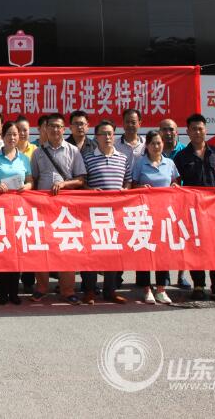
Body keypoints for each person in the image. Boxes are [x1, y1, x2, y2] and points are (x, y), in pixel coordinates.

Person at [173, 113, 215, 303]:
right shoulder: (182, 156)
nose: (197, 132)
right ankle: (198, 285)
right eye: (193, 129)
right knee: (196, 246)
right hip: (192, 210)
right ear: (187, 132)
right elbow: (176, 180)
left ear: (205, 130)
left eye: (200, 128)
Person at [29, 112, 86, 305]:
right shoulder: (37, 153)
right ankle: (41, 288)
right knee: (41, 248)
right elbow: (34, 180)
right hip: (42, 208)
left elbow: (81, 180)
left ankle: (67, 290)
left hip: (66, 208)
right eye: (51, 126)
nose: (54, 129)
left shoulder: (73, 151)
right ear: (45, 129)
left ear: (64, 129)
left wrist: (64, 184)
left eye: (58, 126)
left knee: (67, 248)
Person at [81, 120, 131, 305]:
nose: (108, 137)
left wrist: (126, 190)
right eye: (103, 134)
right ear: (97, 137)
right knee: (91, 253)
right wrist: (90, 190)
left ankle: (110, 291)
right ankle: (90, 290)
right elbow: (82, 182)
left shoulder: (123, 158)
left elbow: (128, 180)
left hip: (116, 213)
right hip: (93, 213)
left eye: (110, 133)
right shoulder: (88, 158)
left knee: (113, 253)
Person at [0, 120, 32, 305]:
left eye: (15, 134)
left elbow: (31, 181)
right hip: (0, 210)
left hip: (19, 210)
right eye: (9, 134)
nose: (12, 137)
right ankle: (2, 291)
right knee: (3, 250)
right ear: (2, 137)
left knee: (17, 251)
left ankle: (14, 291)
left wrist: (26, 186)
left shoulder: (24, 159)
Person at [131, 130, 180, 305]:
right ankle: (146, 289)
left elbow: (176, 182)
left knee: (162, 253)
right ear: (147, 146)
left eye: (159, 143)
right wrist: (140, 187)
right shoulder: (140, 163)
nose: (156, 146)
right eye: (153, 143)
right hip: (145, 213)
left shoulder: (170, 163)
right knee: (145, 252)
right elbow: (132, 185)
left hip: (164, 214)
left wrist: (174, 186)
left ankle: (161, 289)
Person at [160, 117, 189, 288]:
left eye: (171, 129)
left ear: (177, 132)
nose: (168, 133)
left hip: (182, 201)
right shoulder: (155, 150)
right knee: (163, 239)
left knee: (182, 239)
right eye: (164, 129)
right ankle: (164, 275)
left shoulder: (184, 151)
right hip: (161, 203)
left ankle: (181, 275)